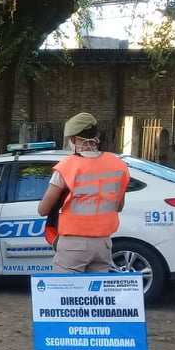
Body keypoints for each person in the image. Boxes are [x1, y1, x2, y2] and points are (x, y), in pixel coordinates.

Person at [37, 112, 130, 273]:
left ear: (74, 139)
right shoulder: (118, 165)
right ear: (95, 137)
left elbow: (43, 210)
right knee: (96, 296)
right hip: (104, 244)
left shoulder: (67, 166)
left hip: (73, 245)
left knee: (66, 294)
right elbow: (119, 206)